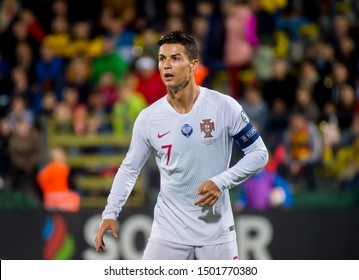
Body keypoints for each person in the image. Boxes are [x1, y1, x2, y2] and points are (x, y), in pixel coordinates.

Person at [94, 30, 269, 260]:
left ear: (193, 64)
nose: (167, 66)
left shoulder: (224, 106)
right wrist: (110, 212)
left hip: (216, 233)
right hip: (168, 232)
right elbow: (129, 169)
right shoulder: (149, 118)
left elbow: (259, 153)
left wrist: (221, 181)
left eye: (175, 58)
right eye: (162, 59)